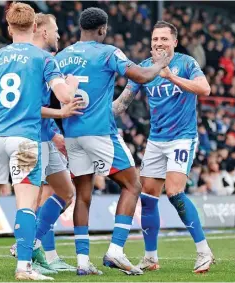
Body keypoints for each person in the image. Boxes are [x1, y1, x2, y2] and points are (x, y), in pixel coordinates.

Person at [0, 2, 78, 281]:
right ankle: (24, 268)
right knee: (26, 204)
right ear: (35, 27)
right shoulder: (43, 59)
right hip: (25, 141)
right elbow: (64, 97)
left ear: (9, 26)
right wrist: (71, 86)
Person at [55, 7, 170, 276]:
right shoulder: (108, 52)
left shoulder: (62, 56)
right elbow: (140, 76)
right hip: (100, 132)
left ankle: (82, 261)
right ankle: (116, 250)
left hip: (72, 133)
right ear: (103, 29)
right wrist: (160, 64)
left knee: (83, 195)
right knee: (133, 184)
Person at [113, 21, 214, 273]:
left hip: (182, 137)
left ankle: (204, 251)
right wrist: (89, 112)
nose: (159, 43)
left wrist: (171, 76)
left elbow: (205, 88)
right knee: (147, 198)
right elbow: (122, 103)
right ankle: (150, 257)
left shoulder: (187, 63)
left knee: (175, 192)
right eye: (155, 39)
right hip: (156, 140)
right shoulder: (144, 68)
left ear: (174, 42)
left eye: (164, 39)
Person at [9, 13, 81, 274]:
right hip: (27, 140)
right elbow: (30, 107)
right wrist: (69, 92)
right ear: (40, 30)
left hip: (43, 136)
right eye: (56, 30)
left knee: (65, 192)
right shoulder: (36, 60)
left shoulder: (41, 60)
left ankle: (42, 250)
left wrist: (53, 134)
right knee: (33, 199)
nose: (59, 35)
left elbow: (41, 104)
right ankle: (27, 252)